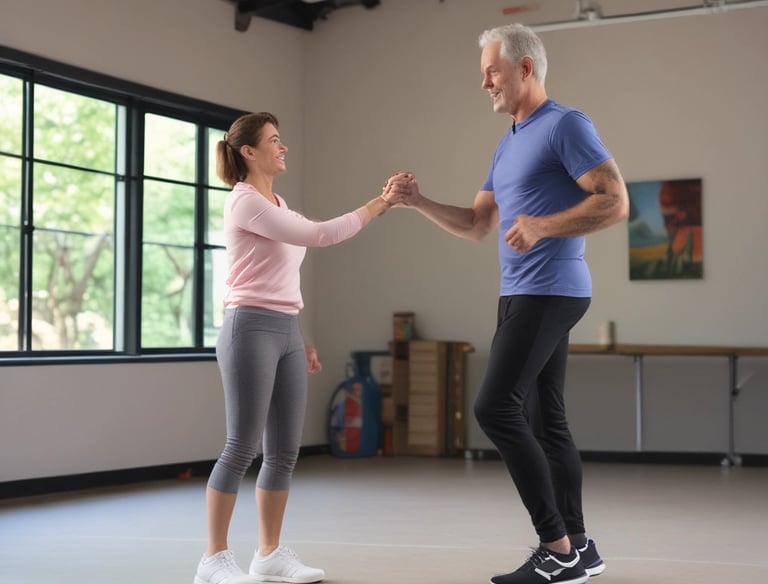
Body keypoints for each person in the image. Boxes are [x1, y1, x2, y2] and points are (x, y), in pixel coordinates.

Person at [389, 23, 629, 584]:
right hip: (522, 291)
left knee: (494, 407)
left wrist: (544, 226)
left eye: (491, 72)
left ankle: (556, 547)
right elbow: (478, 224)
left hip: (550, 289)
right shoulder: (509, 141)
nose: (484, 84)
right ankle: (581, 548)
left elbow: (615, 202)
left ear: (524, 68)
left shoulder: (565, 125)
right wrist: (417, 201)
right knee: (548, 423)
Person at [195, 111, 406, 584]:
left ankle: (268, 554)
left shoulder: (278, 201)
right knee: (241, 446)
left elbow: (283, 276)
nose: (282, 146)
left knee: (284, 451)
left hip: (285, 329)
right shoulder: (245, 202)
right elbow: (322, 234)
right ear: (249, 152)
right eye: (274, 140)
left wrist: (301, 337)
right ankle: (213, 560)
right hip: (248, 328)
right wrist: (382, 202)